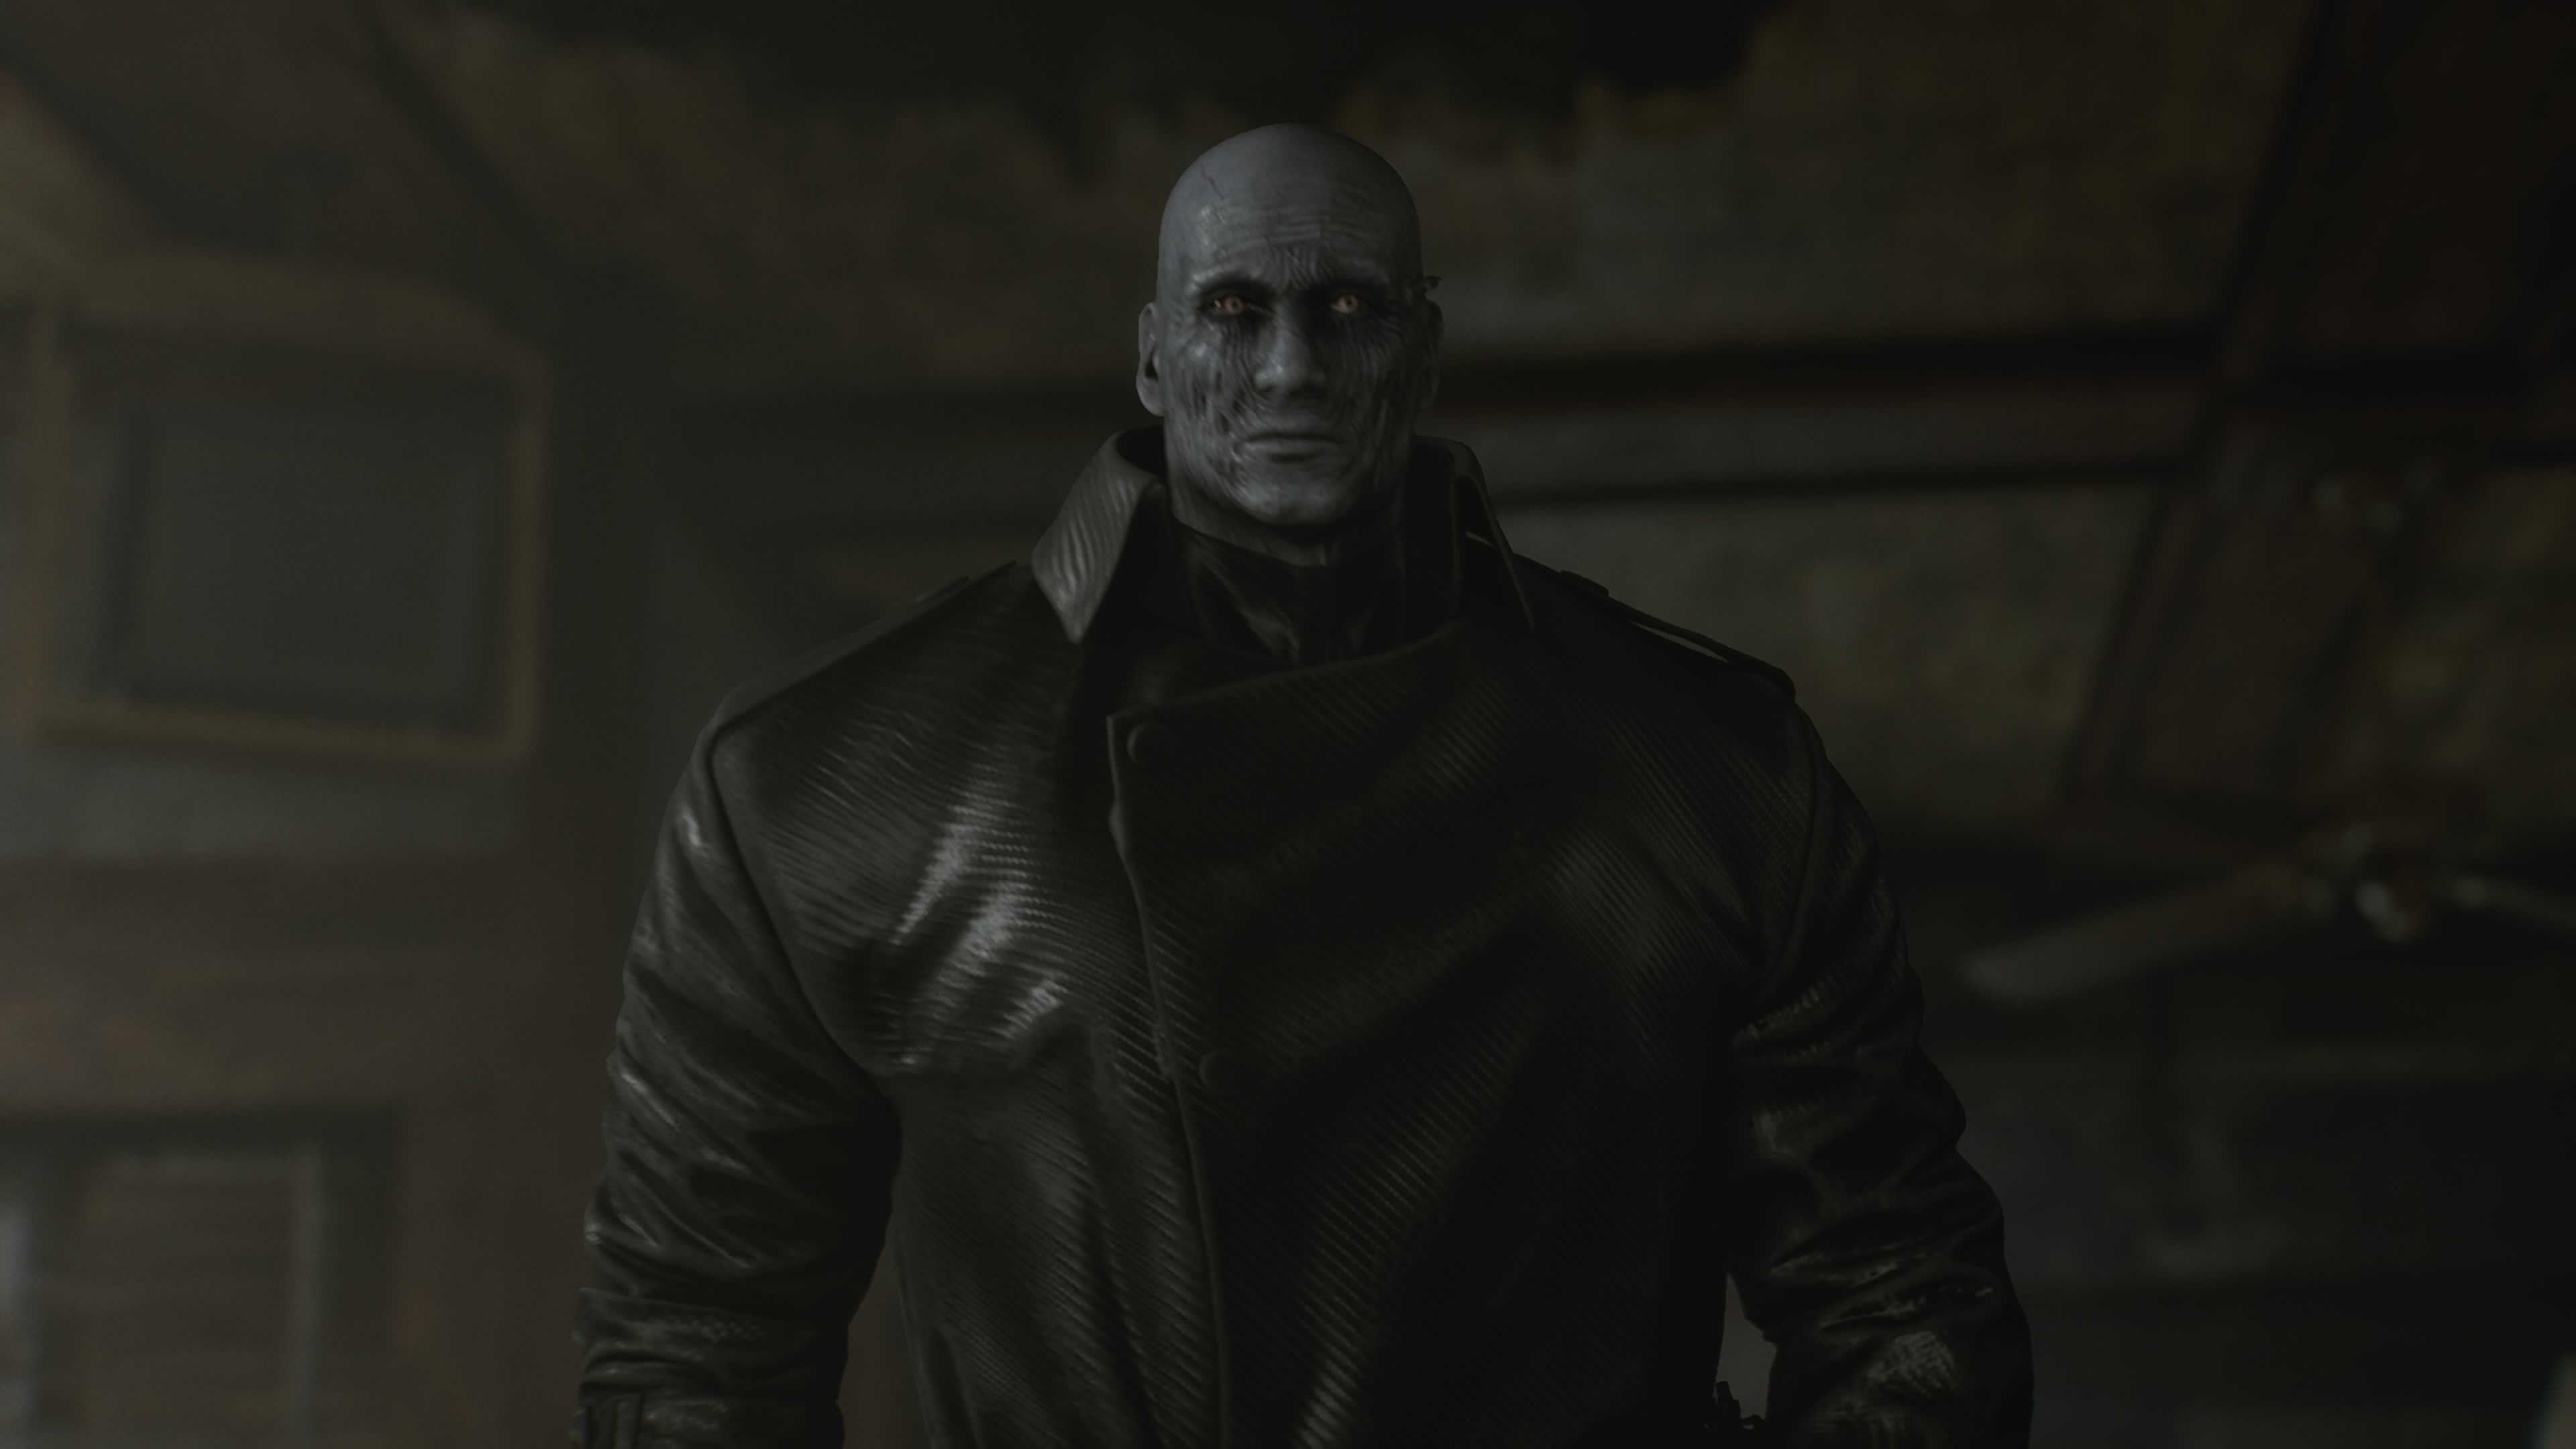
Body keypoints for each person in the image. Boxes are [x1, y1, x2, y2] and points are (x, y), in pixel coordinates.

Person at [572, 123, 2032, 1448]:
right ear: (1153, 355)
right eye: (1233, 310)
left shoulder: (1701, 761)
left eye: (1345, 309)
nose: (1289, 369)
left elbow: (1902, 1299)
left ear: (1423, 349)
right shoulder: (837, 777)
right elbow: (694, 1339)